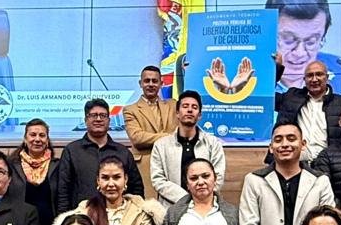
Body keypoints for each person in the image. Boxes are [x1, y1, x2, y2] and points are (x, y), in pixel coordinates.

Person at [266, 0, 341, 98]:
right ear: (269, 35)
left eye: (311, 41)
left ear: (322, 38)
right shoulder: (251, 72)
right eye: (289, 40)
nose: (300, 53)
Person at [56, 98, 144, 215]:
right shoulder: (72, 151)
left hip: (119, 218)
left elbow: (136, 189)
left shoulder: (123, 152)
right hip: (82, 218)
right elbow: (63, 191)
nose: (98, 119)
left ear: (109, 120)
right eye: (93, 115)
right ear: (85, 120)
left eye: (103, 115)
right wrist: (65, 219)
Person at [149, 89, 226, 210]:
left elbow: (218, 177)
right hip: (171, 208)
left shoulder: (213, 143)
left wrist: (199, 197)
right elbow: (158, 180)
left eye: (194, 107)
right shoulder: (161, 145)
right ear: (177, 113)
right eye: (185, 106)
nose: (190, 110)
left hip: (206, 207)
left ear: (199, 115)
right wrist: (186, 198)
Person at [122, 65, 177, 199]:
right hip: (145, 166)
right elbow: (137, 138)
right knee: (148, 205)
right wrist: (167, 137)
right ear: (140, 83)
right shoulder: (130, 109)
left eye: (154, 81)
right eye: (147, 81)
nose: (151, 84)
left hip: (172, 163)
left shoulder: (173, 105)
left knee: (174, 203)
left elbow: (181, 132)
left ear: (161, 83)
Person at [7, 118, 61, 225]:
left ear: (47, 140)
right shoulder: (11, 165)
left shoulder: (58, 166)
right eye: (32, 135)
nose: (37, 139)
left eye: (42, 135)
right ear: (25, 139)